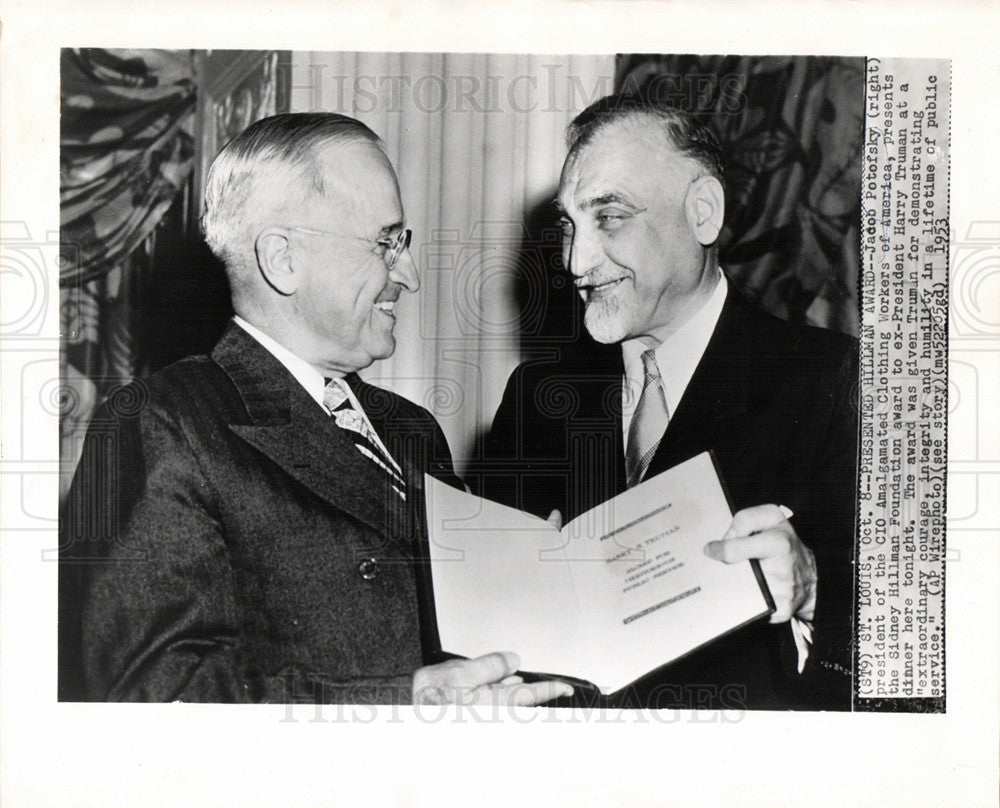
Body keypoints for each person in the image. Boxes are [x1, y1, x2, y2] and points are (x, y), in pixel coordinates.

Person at [58, 112, 572, 707]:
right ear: (282, 260)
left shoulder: (411, 431)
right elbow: (150, 696)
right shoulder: (162, 421)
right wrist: (403, 707)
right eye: (386, 241)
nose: (407, 273)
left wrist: (527, 585)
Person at [480, 95, 859, 710]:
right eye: (569, 225)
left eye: (609, 217)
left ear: (703, 212)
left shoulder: (832, 382)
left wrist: (813, 589)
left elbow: (925, 648)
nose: (576, 262)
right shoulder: (535, 401)